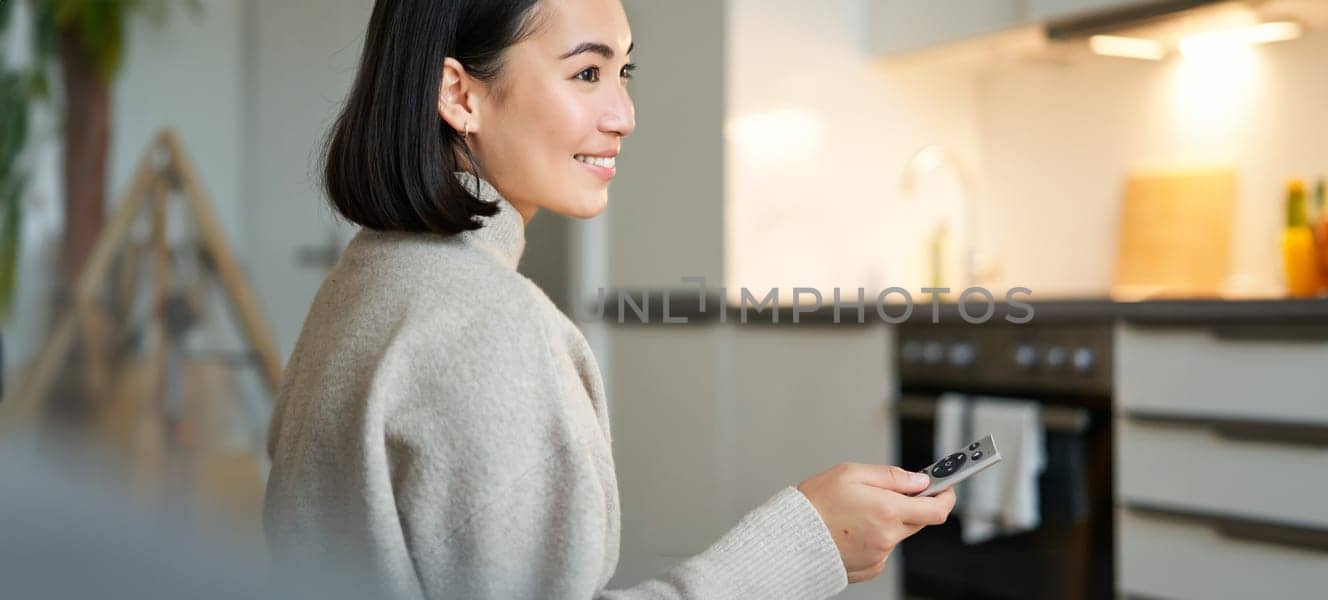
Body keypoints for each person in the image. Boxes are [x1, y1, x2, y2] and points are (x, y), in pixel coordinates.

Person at [261, 1, 957, 599]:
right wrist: (808, 544)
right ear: (460, 94)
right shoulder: (489, 326)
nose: (623, 115)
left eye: (622, 73)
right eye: (586, 73)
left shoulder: (365, 283)